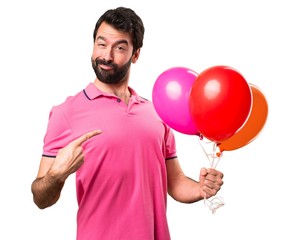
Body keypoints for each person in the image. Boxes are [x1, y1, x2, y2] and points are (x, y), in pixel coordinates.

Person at [31, 6, 224, 240]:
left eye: (119, 47)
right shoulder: (66, 113)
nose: (107, 56)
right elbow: (40, 198)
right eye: (101, 44)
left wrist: (200, 189)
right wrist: (56, 176)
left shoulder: (156, 113)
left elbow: (175, 183)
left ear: (135, 54)